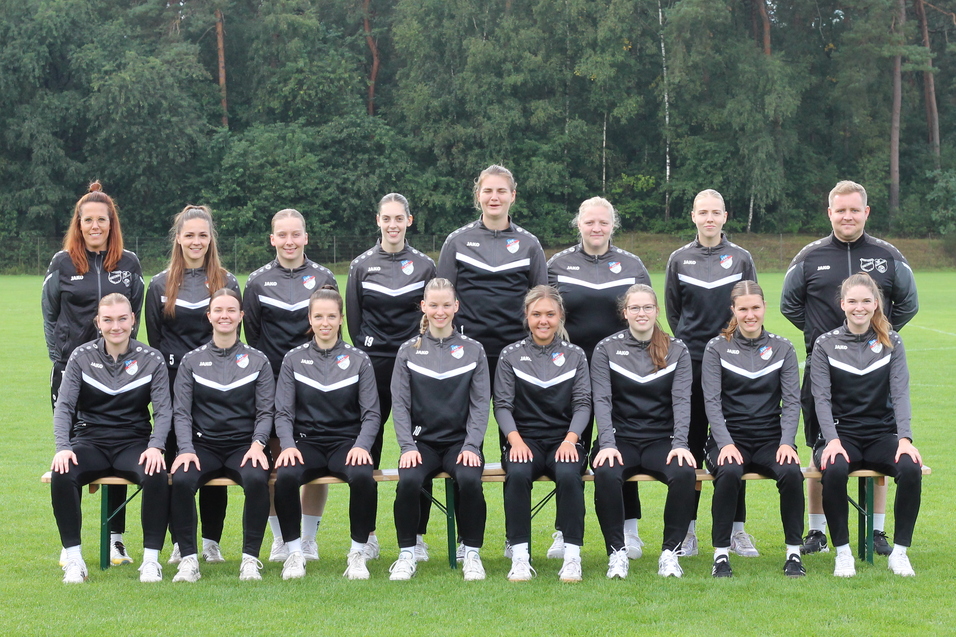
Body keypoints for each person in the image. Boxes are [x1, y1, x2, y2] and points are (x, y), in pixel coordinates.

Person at [780, 180, 919, 555]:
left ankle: (877, 531)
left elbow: (909, 303)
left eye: (854, 210)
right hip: (822, 369)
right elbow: (789, 305)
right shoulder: (808, 257)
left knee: (882, 439)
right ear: (830, 213)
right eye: (840, 210)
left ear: (866, 212)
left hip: (874, 369)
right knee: (821, 448)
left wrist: (877, 336)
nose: (847, 216)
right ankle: (816, 532)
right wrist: (823, 338)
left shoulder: (888, 256)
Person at [42, 180, 145, 567]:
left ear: (111, 223)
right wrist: (60, 359)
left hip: (118, 373)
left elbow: (134, 313)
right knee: (70, 453)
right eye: (88, 220)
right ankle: (70, 544)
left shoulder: (128, 264)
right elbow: (50, 314)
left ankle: (116, 539)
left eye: (102, 219)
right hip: (72, 373)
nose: (95, 226)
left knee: (121, 440)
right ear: (79, 223)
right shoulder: (62, 263)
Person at [548, 196, 651, 560]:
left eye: (603, 222)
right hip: (569, 372)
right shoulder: (557, 265)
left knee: (621, 443)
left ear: (613, 225)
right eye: (590, 221)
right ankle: (564, 531)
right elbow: (545, 315)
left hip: (620, 372)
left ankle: (629, 531)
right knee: (569, 447)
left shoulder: (632, 265)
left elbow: (646, 315)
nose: (596, 228)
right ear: (579, 224)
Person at [50, 293, 171, 583]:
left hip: (133, 442)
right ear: (98, 323)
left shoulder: (151, 359)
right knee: (62, 471)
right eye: (108, 320)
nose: (116, 326)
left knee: (156, 472)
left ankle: (151, 561)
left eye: (122, 319)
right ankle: (74, 559)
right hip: (90, 441)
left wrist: (156, 446)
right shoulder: (81, 356)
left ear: (133, 320)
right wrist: (63, 447)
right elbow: (64, 406)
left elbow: (164, 410)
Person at [145, 205, 241, 564]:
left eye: (203, 235)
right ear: (179, 239)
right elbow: (155, 341)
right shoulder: (160, 284)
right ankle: (179, 541)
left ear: (211, 238)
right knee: (177, 463)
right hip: (173, 384)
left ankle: (211, 541)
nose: (196, 241)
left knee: (213, 457)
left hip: (216, 384)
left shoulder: (227, 282)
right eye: (189, 235)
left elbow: (233, 336)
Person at [664, 189, 758, 557]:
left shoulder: (741, 258)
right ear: (693, 216)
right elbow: (674, 312)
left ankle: (737, 531)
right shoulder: (679, 259)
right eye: (703, 212)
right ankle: (687, 532)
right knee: (688, 444)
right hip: (691, 363)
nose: (709, 218)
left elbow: (748, 305)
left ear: (725, 216)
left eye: (715, 212)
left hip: (733, 362)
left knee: (733, 443)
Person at [811, 273, 921, 577]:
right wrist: (832, 440)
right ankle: (843, 553)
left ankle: (900, 553)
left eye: (865, 301)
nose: (859, 307)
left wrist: (905, 439)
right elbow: (821, 399)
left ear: (875, 304)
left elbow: (900, 393)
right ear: (842, 304)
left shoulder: (891, 341)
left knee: (911, 468)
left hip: (880, 435)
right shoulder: (825, 344)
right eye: (852, 301)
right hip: (840, 435)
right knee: (833, 469)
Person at [346, 193, 437, 561]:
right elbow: (354, 322)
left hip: (416, 364)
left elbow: (432, 316)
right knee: (368, 444)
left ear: (409, 221)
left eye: (399, 218)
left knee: (420, 445)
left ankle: (416, 534)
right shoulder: (361, 265)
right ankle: (366, 535)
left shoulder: (425, 266)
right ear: (378, 221)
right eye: (387, 218)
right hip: (374, 364)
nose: (393, 224)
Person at [243, 209, 337, 563]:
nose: (289, 241)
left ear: (306, 237)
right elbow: (253, 336)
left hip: (316, 384)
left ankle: (308, 539)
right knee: (273, 464)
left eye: (295, 234)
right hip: (271, 386)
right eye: (282, 235)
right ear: (272, 239)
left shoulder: (324, 277)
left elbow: (330, 327)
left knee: (314, 462)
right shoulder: (257, 282)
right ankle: (281, 539)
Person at [273, 287, 380, 581]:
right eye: (318, 316)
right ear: (310, 318)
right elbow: (283, 412)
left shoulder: (359, 359)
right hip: (306, 443)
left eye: (331, 316)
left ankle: (357, 553)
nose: (325, 323)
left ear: (341, 319)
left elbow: (372, 413)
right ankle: (294, 553)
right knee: (285, 476)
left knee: (363, 476)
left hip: (346, 443)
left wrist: (362, 445)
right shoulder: (293, 359)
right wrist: (287, 445)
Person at [590, 284, 697, 579]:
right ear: (625, 313)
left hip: (661, 441)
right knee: (605, 472)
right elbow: (602, 400)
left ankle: (670, 553)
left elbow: (682, 400)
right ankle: (617, 553)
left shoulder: (677, 349)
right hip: (620, 440)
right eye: (635, 308)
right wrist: (607, 444)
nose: (641, 313)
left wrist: (681, 443)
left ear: (657, 311)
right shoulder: (606, 348)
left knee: (685, 473)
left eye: (647, 307)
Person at [168, 289, 274, 582]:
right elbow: (181, 412)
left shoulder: (258, 360)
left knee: (257, 479)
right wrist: (186, 449)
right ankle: (189, 560)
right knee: (182, 480)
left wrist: (258, 444)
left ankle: (250, 560)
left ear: (241, 316)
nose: (224, 316)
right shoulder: (191, 361)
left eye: (231, 310)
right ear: (209, 316)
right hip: (203, 446)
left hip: (244, 446)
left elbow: (266, 411)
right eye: (218, 310)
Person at [388, 278, 490, 581]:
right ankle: (407, 553)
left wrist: (471, 445)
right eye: (433, 305)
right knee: (409, 480)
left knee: (469, 479)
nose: (440, 311)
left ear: (456, 306)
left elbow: (480, 404)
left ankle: (471, 551)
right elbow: (400, 405)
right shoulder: (408, 351)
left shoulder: (474, 350)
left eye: (446, 305)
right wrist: (407, 447)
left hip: (461, 443)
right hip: (422, 444)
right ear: (424, 306)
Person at [701, 280, 805, 578]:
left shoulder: (782, 347)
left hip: (771, 440)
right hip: (728, 439)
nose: (750, 315)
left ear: (764, 308)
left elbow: (792, 401)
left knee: (791, 472)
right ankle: (721, 555)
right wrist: (725, 443)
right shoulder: (717, 347)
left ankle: (794, 553)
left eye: (755, 308)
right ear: (733, 310)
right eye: (743, 309)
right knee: (729, 471)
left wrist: (787, 442)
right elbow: (712, 402)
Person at [495, 286, 590, 581]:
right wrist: (515, 441)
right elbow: (502, 405)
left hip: (564, 440)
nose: (543, 321)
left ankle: (572, 557)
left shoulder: (575, 355)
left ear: (560, 316)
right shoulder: (510, 355)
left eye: (550, 314)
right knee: (518, 473)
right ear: (527, 316)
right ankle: (520, 556)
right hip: (525, 441)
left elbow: (583, 404)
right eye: (536, 314)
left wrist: (571, 440)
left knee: (569, 474)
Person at [437, 164, 547, 392]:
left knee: (514, 414)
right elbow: (441, 301)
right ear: (478, 195)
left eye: (501, 191)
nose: (494, 197)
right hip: (465, 348)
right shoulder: (456, 242)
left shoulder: (530, 245)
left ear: (513, 196)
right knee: (465, 413)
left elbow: (542, 302)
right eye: (488, 191)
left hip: (517, 349)